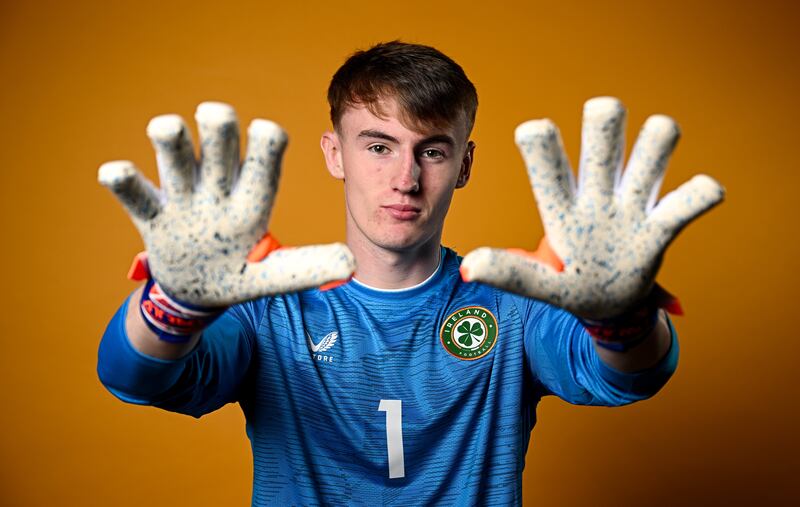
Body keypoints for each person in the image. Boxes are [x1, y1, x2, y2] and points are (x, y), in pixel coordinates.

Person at [97, 41, 724, 505]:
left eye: (432, 150)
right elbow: (136, 376)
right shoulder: (268, 303)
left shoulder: (513, 302)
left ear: (464, 163)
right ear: (334, 153)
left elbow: (634, 376)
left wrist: (622, 314)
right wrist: (172, 304)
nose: (405, 178)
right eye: (378, 146)